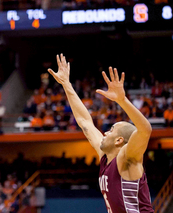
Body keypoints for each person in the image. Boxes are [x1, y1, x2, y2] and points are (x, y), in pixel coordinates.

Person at [48, 54, 154, 213]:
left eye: (111, 130)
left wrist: (122, 101)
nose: (104, 132)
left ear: (119, 141)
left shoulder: (127, 157)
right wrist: (66, 84)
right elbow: (85, 122)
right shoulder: (105, 156)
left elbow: (145, 130)